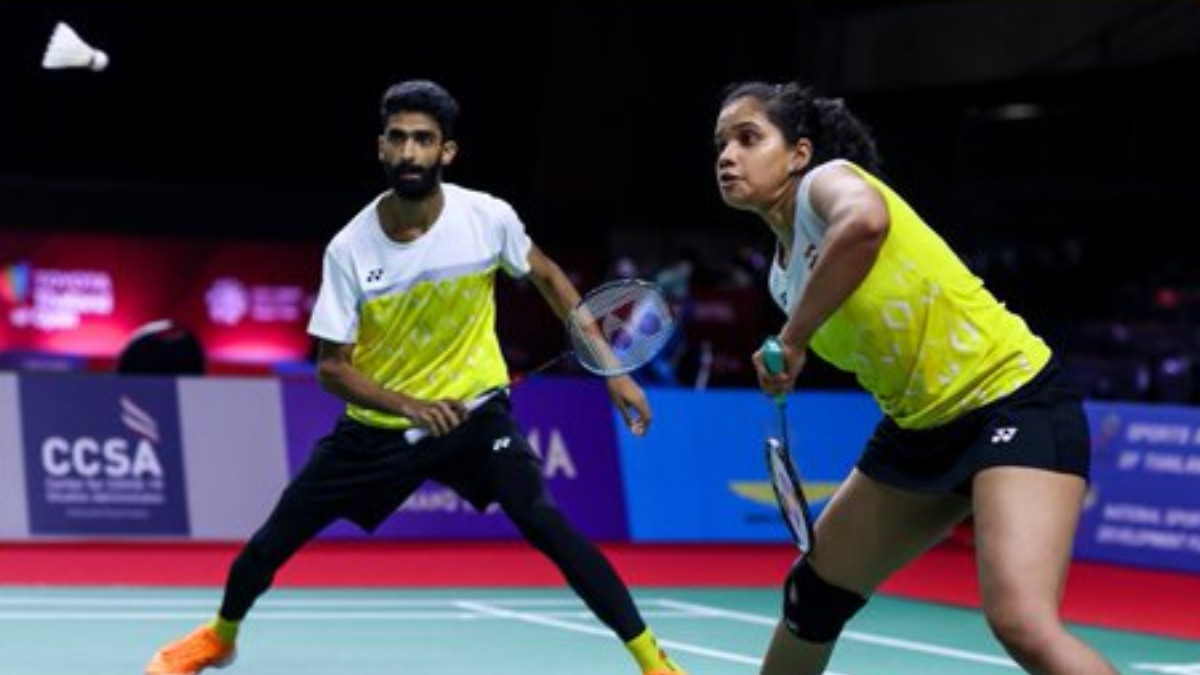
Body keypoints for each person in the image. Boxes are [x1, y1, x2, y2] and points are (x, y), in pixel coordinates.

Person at [145, 79, 686, 675]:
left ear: (445, 153)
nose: (409, 152)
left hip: (476, 418)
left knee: (545, 520)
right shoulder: (349, 249)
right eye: (398, 139)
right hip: (378, 429)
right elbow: (332, 369)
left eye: (423, 140)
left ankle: (652, 662)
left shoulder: (486, 217)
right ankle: (220, 636)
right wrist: (410, 407)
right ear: (381, 148)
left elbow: (552, 280)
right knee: (271, 543)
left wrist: (611, 370)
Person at [713, 80, 1118, 675]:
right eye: (721, 143)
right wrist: (786, 362)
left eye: (748, 139)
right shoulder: (782, 277)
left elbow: (867, 223)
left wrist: (793, 339)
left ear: (798, 153)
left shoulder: (828, 183)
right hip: (919, 429)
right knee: (812, 598)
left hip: (1012, 401)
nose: (728, 156)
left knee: (1022, 623)